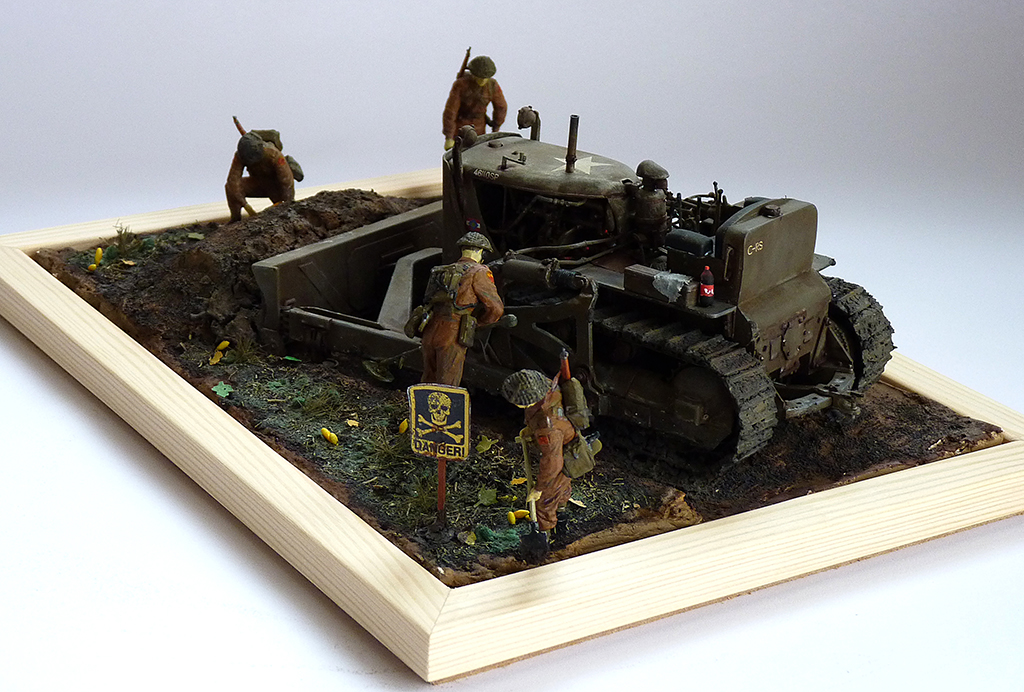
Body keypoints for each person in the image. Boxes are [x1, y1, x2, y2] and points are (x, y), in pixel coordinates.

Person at [418, 231, 505, 386]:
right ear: (480, 251)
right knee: (448, 383)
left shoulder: (443, 269)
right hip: (454, 331)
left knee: (428, 379)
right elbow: (496, 309)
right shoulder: (479, 271)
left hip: (430, 329)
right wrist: (479, 323)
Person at [501, 369, 576, 535]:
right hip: (564, 442)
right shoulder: (546, 386)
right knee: (560, 488)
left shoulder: (547, 427)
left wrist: (539, 488)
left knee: (545, 500)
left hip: (564, 454)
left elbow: (552, 463)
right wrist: (530, 429)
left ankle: (545, 534)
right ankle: (561, 513)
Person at [225, 130, 301, 222]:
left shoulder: (273, 154)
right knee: (229, 188)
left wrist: (288, 203)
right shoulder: (240, 156)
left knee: (283, 209)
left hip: (276, 185)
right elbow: (233, 180)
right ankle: (235, 218)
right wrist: (241, 200)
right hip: (258, 183)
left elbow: (286, 180)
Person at [442, 55, 507, 150]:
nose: (483, 80)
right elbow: (451, 111)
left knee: (479, 151)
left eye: (485, 78)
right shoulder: (461, 85)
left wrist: (495, 129)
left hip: (479, 126)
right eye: (479, 77)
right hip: (460, 126)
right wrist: (449, 137)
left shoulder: (492, 85)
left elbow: (501, 107)